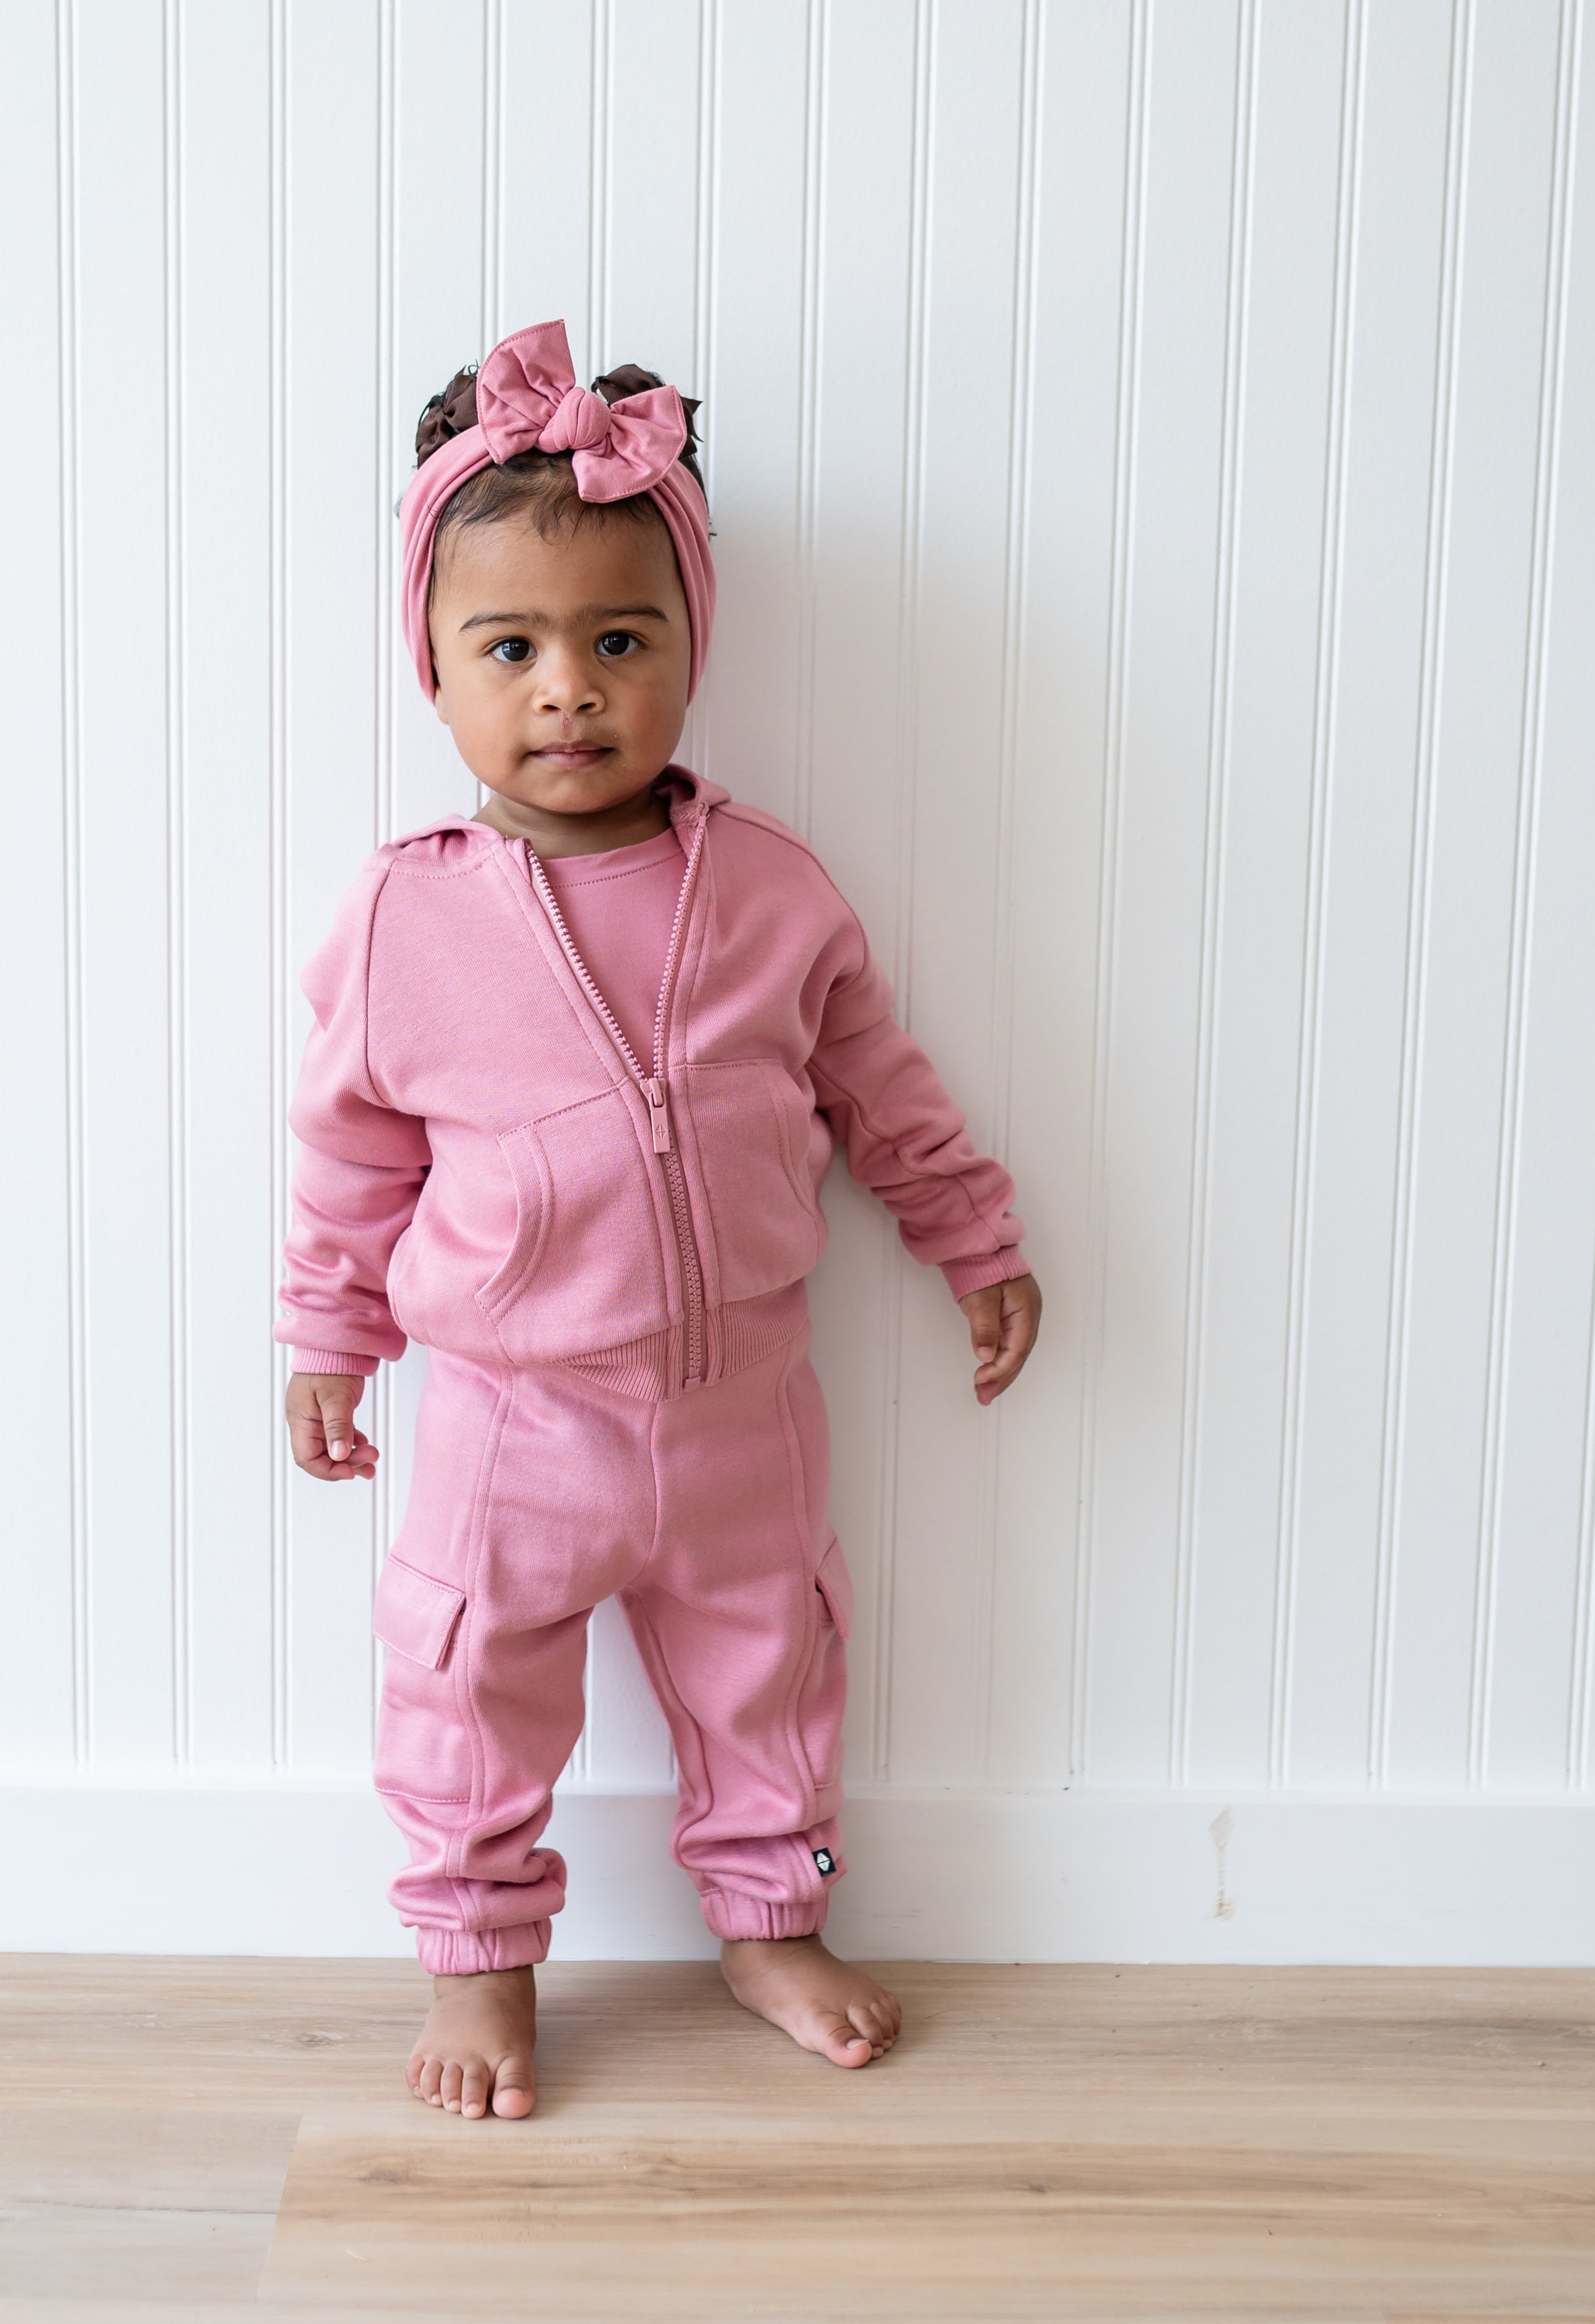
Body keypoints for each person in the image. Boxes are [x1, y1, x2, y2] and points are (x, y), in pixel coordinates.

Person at [278, 319, 1040, 2122]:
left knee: (773, 1670)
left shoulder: (771, 888)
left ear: (691, 648)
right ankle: (479, 1961)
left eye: (622, 641)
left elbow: (879, 1088)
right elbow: (347, 1153)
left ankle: (770, 1923)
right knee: (467, 1687)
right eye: (513, 647)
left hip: (740, 1410)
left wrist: (972, 1235)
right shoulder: (406, 921)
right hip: (504, 1418)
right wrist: (327, 1334)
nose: (571, 689)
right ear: (436, 672)